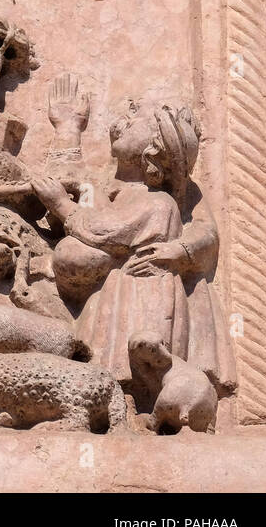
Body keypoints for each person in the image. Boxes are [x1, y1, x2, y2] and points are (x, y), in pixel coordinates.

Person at [34, 100, 236, 396]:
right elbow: (63, 180)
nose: (124, 117)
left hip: (138, 293)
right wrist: (69, 129)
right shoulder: (107, 185)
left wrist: (63, 207)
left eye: (135, 117)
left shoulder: (161, 200)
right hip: (106, 291)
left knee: (127, 358)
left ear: (152, 152)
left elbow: (108, 231)